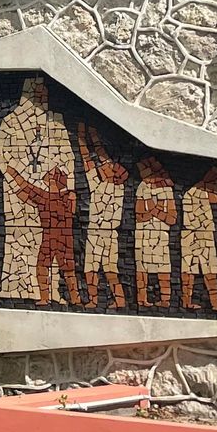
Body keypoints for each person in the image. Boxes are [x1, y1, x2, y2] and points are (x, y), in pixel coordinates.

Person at [0, 76, 75, 302]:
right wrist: (16, 182)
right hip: (18, 194)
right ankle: (17, 285)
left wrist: (68, 188)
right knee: (20, 237)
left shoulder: (55, 122)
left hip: (52, 192)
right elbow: (1, 155)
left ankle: (51, 292)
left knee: (54, 246)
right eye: (37, 93)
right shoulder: (10, 122)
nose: (42, 97)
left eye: (44, 94)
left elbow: (67, 156)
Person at [7, 166, 82, 308]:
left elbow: (25, 187)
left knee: (58, 268)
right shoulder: (62, 196)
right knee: (52, 268)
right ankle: (70, 298)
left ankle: (60, 297)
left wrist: (13, 173)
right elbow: (25, 192)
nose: (48, 175)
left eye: (51, 174)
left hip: (59, 236)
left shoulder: (50, 197)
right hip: (58, 236)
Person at [75, 120, 130, 309]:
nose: (105, 167)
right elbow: (90, 160)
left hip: (107, 233)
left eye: (110, 168)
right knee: (90, 268)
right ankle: (94, 299)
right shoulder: (99, 184)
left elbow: (95, 161)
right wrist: (88, 136)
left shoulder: (114, 188)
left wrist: (87, 136)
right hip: (95, 232)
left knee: (109, 269)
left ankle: (119, 300)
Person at [179, 165, 217, 310]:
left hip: (190, 234)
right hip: (201, 234)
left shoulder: (192, 192)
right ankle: (215, 304)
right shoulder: (201, 193)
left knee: (191, 269)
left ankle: (188, 301)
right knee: (208, 270)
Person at [133, 155, 177, 309]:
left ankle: (165, 299)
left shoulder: (167, 191)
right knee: (141, 268)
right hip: (143, 235)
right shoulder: (142, 188)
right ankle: (141, 299)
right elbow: (140, 216)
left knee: (163, 268)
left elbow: (171, 218)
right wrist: (155, 211)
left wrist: (153, 210)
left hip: (160, 235)